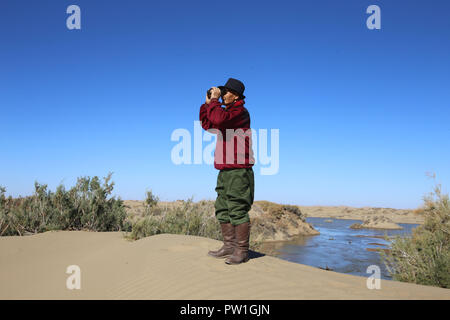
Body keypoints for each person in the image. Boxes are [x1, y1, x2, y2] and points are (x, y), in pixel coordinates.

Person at [199, 78, 255, 265]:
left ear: (236, 95)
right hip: (224, 170)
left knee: (237, 209)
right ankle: (229, 246)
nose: (222, 95)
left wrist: (214, 102)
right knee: (223, 208)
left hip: (239, 170)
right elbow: (208, 124)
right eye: (221, 92)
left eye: (225, 92)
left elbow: (218, 118)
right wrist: (206, 104)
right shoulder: (226, 115)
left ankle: (241, 250)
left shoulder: (240, 112)